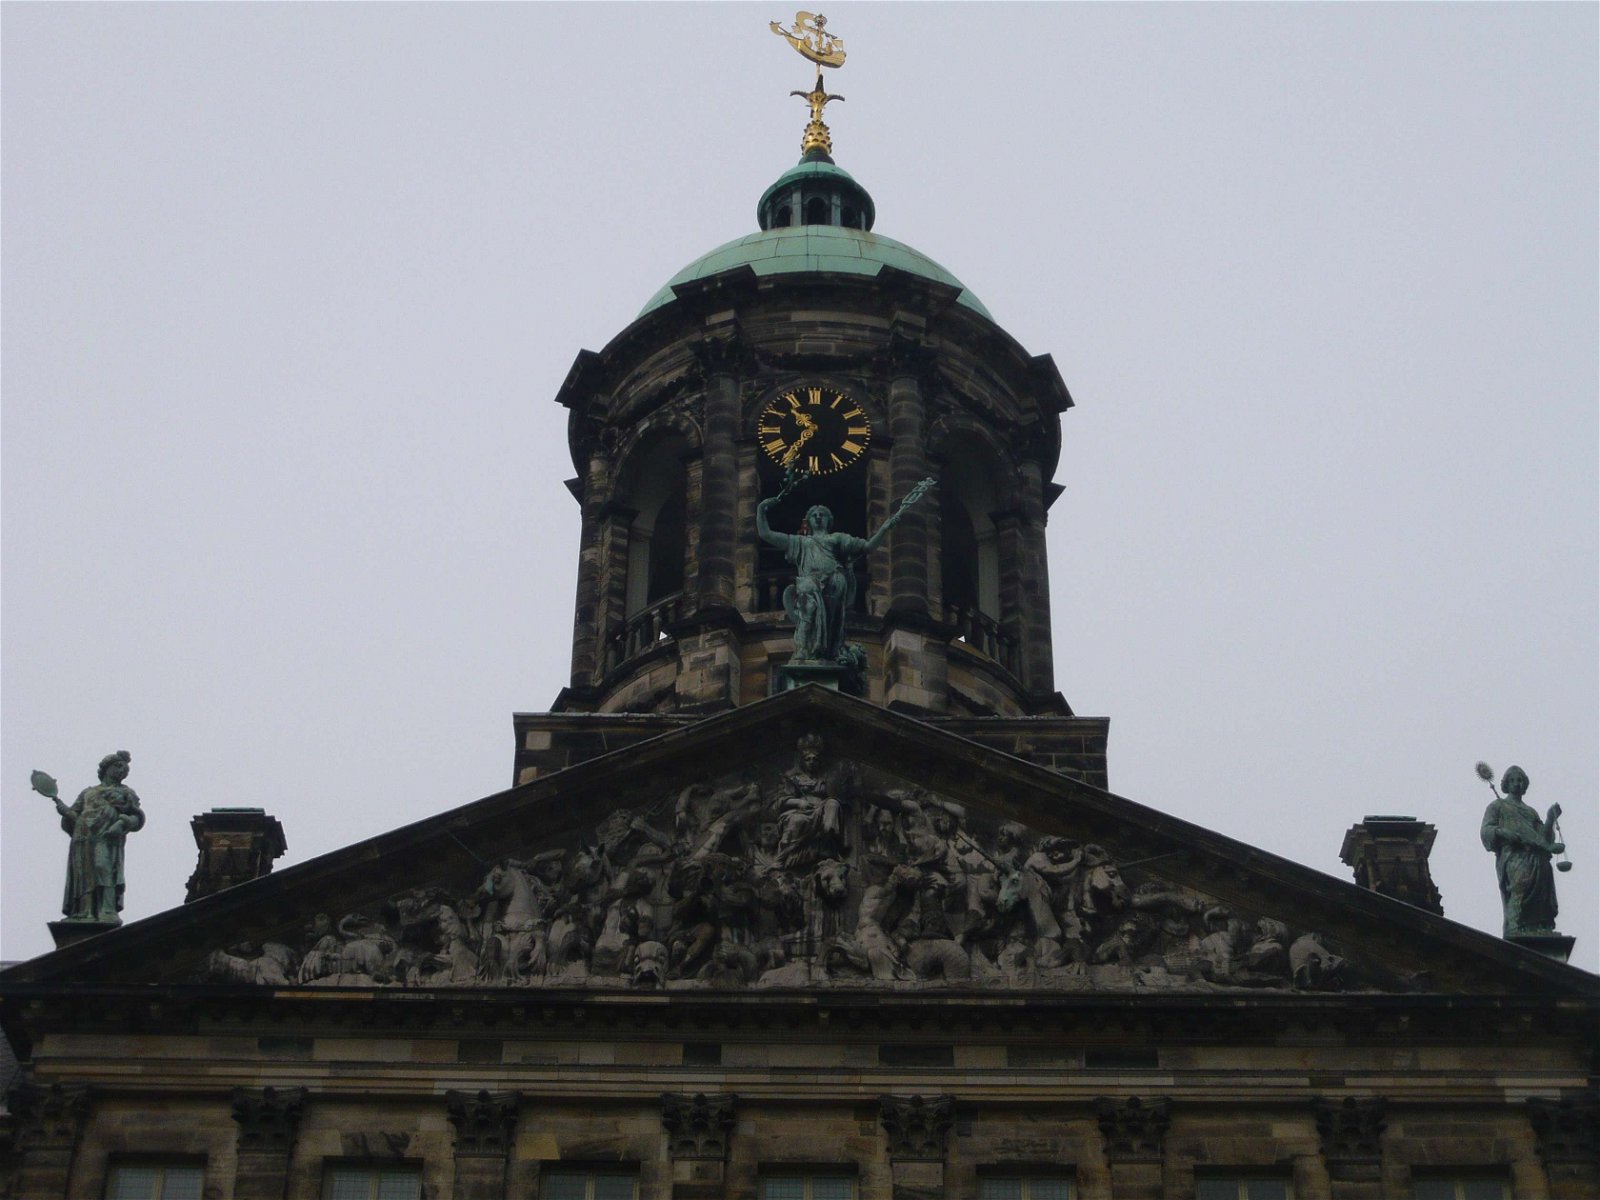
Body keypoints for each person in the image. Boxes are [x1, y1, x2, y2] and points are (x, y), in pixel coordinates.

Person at [756, 476, 933, 664]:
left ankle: (826, 653)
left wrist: (885, 528)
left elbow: (868, 547)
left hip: (835, 582)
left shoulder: (838, 539)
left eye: (821, 514)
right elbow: (766, 534)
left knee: (832, 625)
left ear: (828, 520)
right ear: (807, 521)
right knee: (808, 612)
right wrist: (761, 509)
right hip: (809, 582)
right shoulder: (799, 542)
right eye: (814, 515)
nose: (817, 517)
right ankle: (802, 651)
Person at [53, 750, 146, 923]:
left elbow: (137, 817)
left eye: (125, 769)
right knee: (84, 873)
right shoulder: (88, 793)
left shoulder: (126, 793)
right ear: (107, 768)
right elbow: (74, 815)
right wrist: (65, 812)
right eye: (118, 766)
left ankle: (107, 909)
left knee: (103, 867)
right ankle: (83, 911)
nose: (122, 771)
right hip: (83, 838)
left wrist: (121, 824)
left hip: (108, 838)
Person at [1479, 765, 1563, 936]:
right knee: (1520, 886)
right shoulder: (1497, 806)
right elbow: (1485, 830)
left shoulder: (1531, 812)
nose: (1516, 784)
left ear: (1524, 785)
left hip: (1537, 858)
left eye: (1520, 780)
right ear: (1506, 784)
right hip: (1515, 856)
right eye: (1512, 780)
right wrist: (1503, 832)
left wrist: (1550, 818)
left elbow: (1544, 838)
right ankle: (1515, 926)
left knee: (1540, 896)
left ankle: (1539, 927)